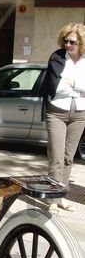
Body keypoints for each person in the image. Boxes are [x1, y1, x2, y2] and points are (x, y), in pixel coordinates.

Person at [41, 23, 85, 214]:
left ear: (81, 43)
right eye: (66, 41)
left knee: (68, 158)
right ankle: (52, 198)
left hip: (80, 113)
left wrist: (72, 85)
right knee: (57, 157)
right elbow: (54, 86)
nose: (68, 45)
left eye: (72, 42)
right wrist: (77, 87)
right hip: (57, 111)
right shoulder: (57, 57)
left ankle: (61, 196)